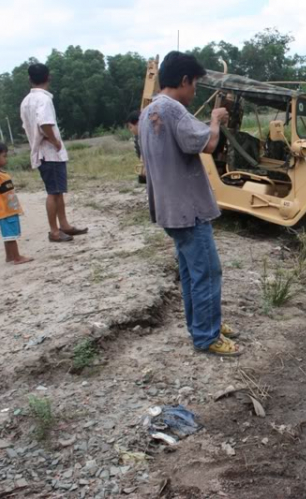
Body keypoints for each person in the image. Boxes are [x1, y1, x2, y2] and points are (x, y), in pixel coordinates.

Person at [138, 51, 241, 356]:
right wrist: (215, 120)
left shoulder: (148, 111)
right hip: (189, 210)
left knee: (191, 273)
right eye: (194, 84)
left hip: (170, 209)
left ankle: (203, 323)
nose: (195, 92)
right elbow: (208, 143)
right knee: (207, 272)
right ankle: (207, 336)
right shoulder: (173, 110)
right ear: (183, 81)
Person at [20, 63, 88, 243]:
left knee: (57, 191)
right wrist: (55, 141)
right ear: (48, 77)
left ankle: (64, 225)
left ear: (29, 79)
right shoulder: (44, 99)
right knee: (53, 192)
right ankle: (54, 231)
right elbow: (45, 123)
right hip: (49, 152)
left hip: (41, 152)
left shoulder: (26, 101)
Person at [0, 141, 33, 265]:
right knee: (11, 235)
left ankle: (9, 256)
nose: (6, 159)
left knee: (8, 234)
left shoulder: (0, 172)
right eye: (4, 156)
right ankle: (17, 257)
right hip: (5, 210)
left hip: (10, 209)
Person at [126, 111, 146, 184]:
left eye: (131, 127)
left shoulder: (145, 138)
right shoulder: (140, 138)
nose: (131, 130)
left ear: (138, 124)